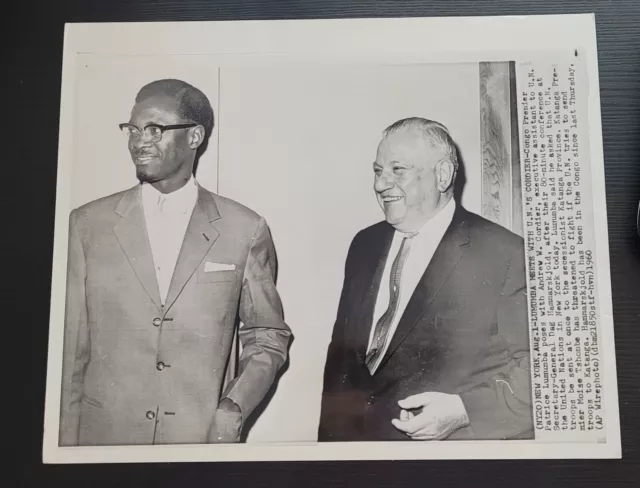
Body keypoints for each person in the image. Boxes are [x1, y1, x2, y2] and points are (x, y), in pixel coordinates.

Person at [59, 79, 292, 446]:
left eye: (155, 129)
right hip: (103, 439)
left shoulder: (243, 228)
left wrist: (234, 406)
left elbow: (268, 334)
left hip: (197, 441)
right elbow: (70, 349)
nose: (139, 141)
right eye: (133, 129)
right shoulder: (87, 224)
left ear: (195, 136)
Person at [318, 117, 533, 441]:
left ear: (442, 174)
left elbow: (540, 371)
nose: (380, 184)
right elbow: (340, 360)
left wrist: (463, 411)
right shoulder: (364, 244)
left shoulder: (504, 253)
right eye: (378, 171)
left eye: (397, 170)